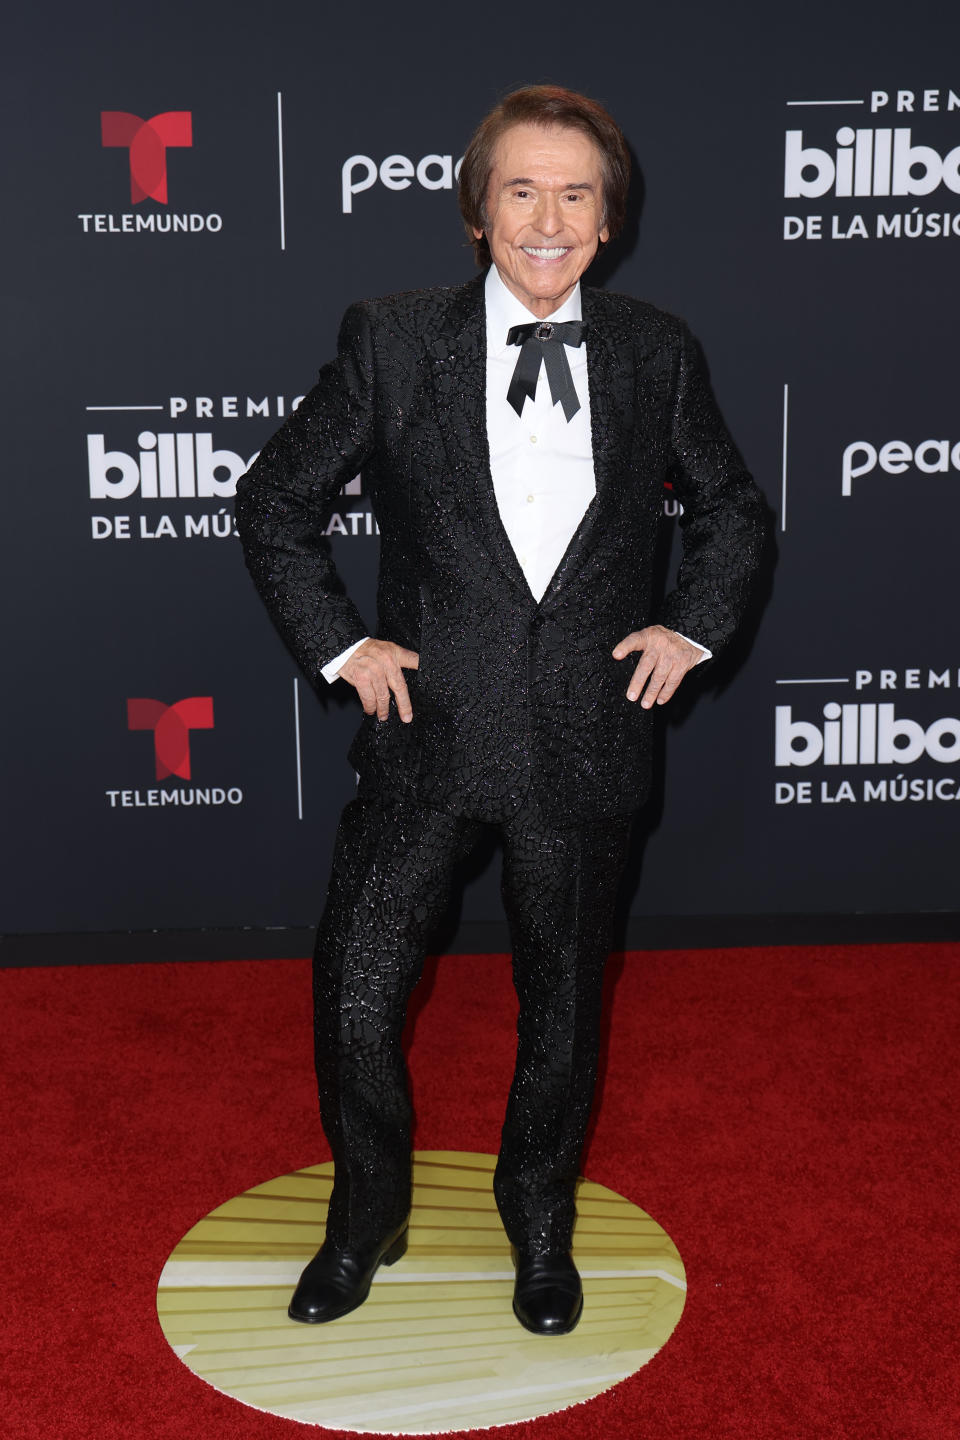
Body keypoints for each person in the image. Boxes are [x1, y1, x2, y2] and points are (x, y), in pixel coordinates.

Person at [235, 84, 767, 1336]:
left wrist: (692, 628)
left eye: (576, 193)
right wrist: (340, 641)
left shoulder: (655, 349)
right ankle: (368, 1217)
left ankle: (540, 1222)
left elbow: (735, 508)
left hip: (587, 743)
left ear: (609, 218)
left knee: (564, 1012)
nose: (548, 217)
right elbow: (275, 501)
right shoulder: (393, 338)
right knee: (355, 994)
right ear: (478, 212)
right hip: (428, 738)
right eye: (521, 189)